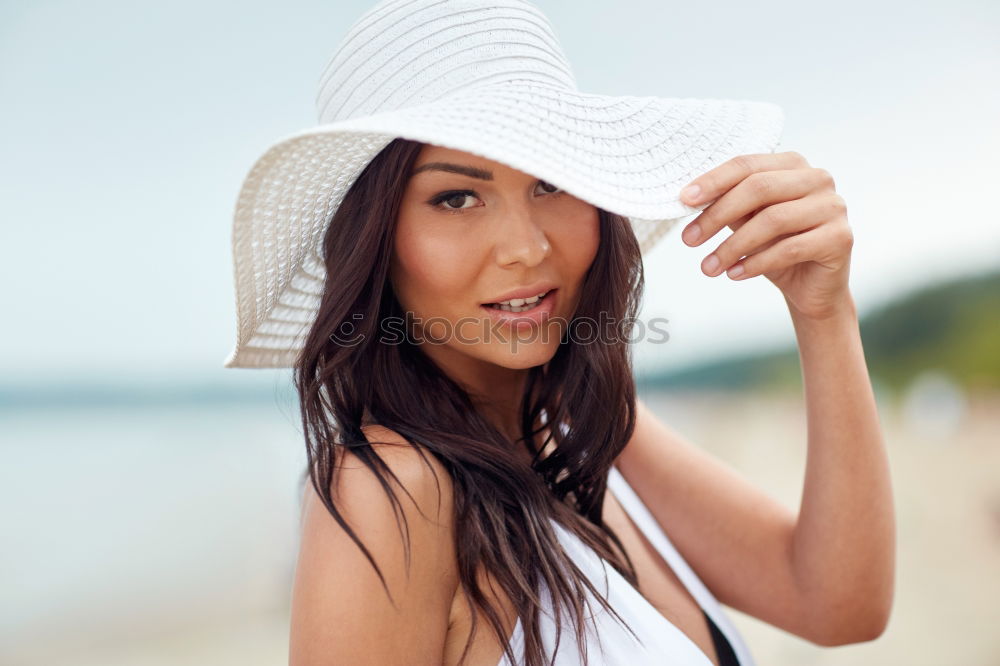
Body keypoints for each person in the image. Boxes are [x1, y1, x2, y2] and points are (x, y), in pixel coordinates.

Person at [222, 1, 895, 665]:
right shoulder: (388, 492)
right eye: (456, 198)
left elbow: (836, 602)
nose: (525, 247)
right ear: (376, 241)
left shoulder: (578, 429)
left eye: (551, 182)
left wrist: (824, 314)